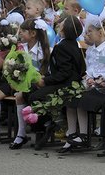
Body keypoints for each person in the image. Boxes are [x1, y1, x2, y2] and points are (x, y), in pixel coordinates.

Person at [23, 15, 85, 150]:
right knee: (30, 92)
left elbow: (64, 73)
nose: (58, 26)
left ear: (65, 30)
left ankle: (50, 125)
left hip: (66, 84)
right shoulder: (73, 43)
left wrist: (46, 80)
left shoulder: (62, 47)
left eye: (61, 25)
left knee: (35, 96)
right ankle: (46, 125)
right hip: (67, 81)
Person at [59, 18, 105, 153]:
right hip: (93, 84)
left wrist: (101, 79)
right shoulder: (91, 50)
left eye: (90, 32)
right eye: (86, 32)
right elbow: (91, 68)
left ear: (100, 33)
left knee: (81, 100)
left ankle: (84, 135)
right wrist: (88, 77)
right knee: (70, 98)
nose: (86, 35)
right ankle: (72, 133)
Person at [5, 19, 51, 149]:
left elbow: (45, 73)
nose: (20, 34)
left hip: (39, 84)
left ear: (33, 34)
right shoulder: (21, 49)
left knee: (22, 96)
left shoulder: (44, 50)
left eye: (23, 31)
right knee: (21, 94)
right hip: (24, 84)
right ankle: (21, 133)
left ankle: (25, 133)